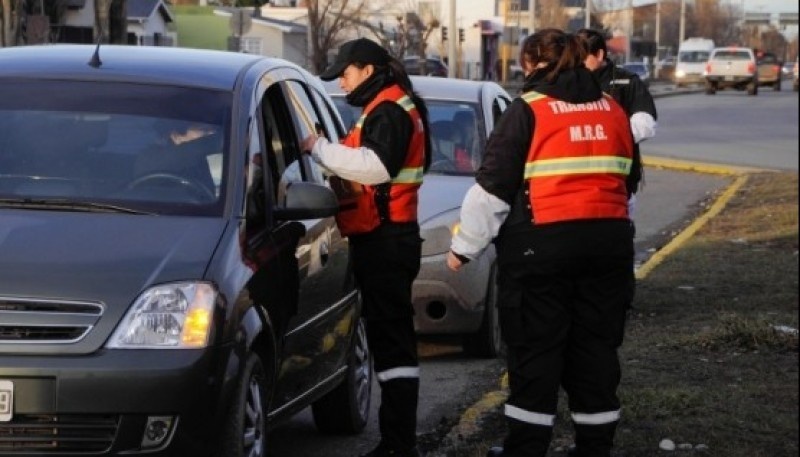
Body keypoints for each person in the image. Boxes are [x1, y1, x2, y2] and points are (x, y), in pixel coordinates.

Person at [446, 29, 635, 457]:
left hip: (541, 252)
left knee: (536, 351)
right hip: (608, 249)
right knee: (595, 351)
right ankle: (595, 447)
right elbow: (630, 178)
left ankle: (527, 448)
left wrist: (463, 249)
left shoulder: (527, 111)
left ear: (532, 64)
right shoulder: (613, 111)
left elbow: (492, 189)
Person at [300, 37, 431, 457]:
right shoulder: (386, 107)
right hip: (384, 239)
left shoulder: (390, 110)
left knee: (393, 347)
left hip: (387, 242)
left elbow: (374, 168)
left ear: (368, 71)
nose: (341, 82)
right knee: (389, 343)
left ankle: (398, 444)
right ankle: (397, 441)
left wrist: (318, 149)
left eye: (346, 72)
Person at [577, 28, 658, 217]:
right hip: (577, 180)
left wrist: (604, 135)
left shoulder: (627, 82)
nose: (577, 63)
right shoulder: (568, 84)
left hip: (619, 180)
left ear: (599, 54)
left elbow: (645, 125)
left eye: (582, 57)